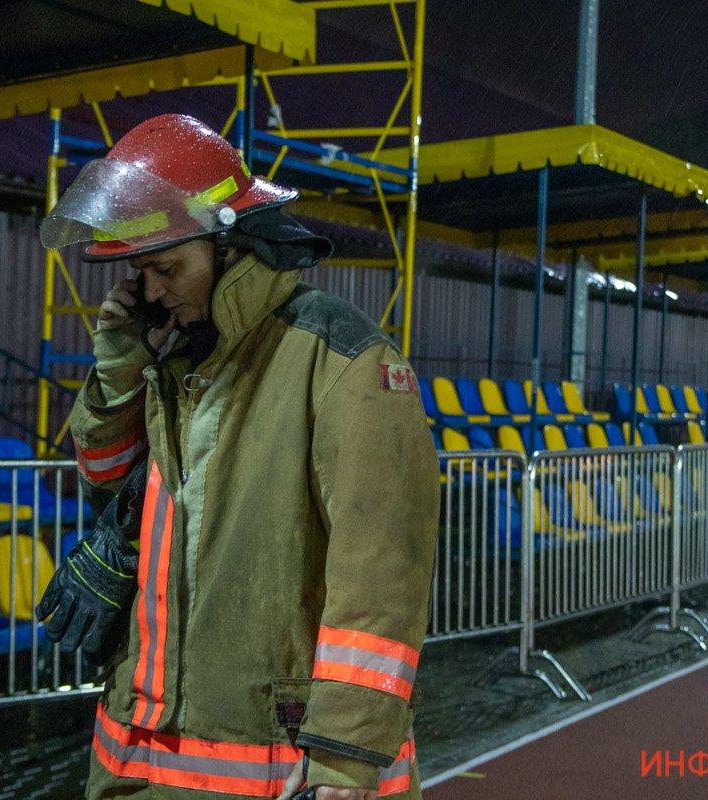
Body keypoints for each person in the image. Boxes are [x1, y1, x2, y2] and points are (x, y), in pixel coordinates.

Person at [37, 114, 439, 800]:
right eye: (141, 272)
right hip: (140, 749)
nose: (152, 289)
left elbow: (380, 569)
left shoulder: (338, 358)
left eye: (168, 267)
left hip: (276, 760)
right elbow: (105, 480)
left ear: (232, 244)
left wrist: (345, 752)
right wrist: (118, 371)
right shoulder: (174, 354)